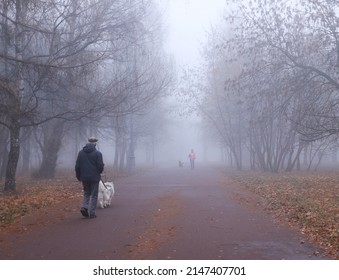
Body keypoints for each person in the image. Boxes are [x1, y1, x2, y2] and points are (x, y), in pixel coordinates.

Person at [75, 136, 104, 219]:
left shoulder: (81, 153)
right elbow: (100, 166)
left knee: (86, 192)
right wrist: (99, 171)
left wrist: (78, 176)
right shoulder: (98, 154)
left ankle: (84, 207)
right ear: (95, 143)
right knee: (94, 194)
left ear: (88, 142)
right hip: (94, 177)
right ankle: (92, 213)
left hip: (84, 177)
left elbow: (77, 166)